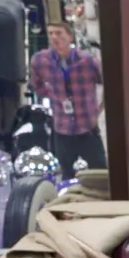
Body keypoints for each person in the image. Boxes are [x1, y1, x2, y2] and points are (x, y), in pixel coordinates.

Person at [28, 22, 107, 180]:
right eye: (51, 34)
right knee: (66, 175)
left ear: (70, 37)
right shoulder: (40, 60)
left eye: (59, 33)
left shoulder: (87, 61)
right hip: (62, 129)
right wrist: (53, 95)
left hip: (87, 127)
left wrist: (99, 109)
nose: (54, 37)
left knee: (100, 175)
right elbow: (36, 85)